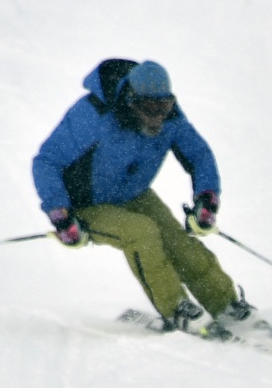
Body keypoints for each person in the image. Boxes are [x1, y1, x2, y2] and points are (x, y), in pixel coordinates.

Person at [32, 58, 251, 331]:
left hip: (133, 194)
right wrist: (60, 216)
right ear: (131, 101)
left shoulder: (170, 118)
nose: (158, 116)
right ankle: (176, 308)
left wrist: (207, 199)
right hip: (84, 204)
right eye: (149, 108)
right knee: (142, 233)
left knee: (178, 242)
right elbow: (46, 161)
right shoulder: (93, 115)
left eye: (165, 106)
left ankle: (226, 305)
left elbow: (198, 154)